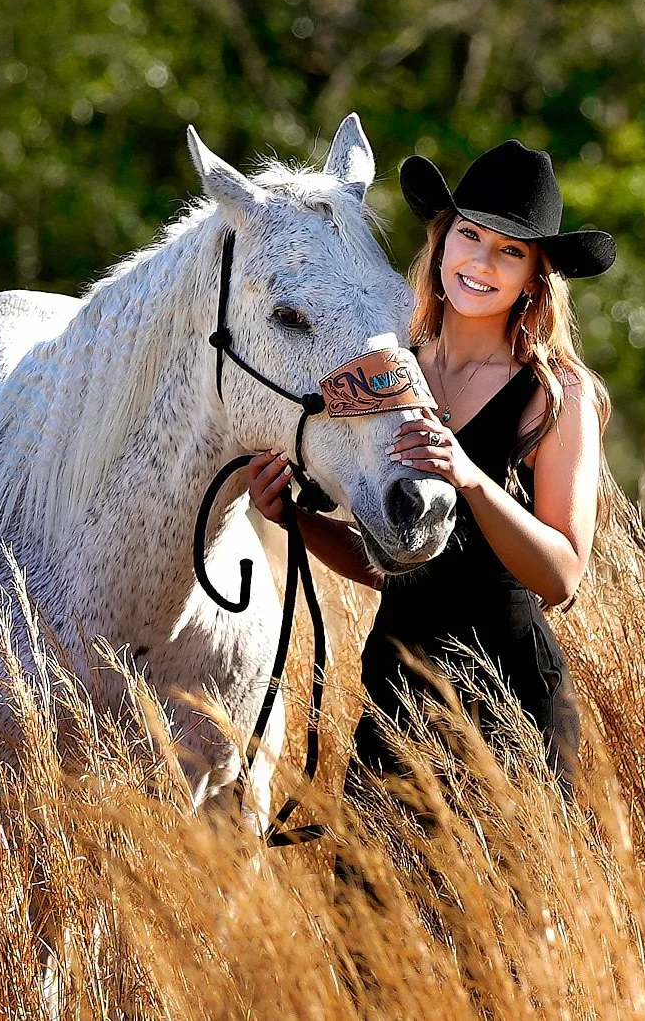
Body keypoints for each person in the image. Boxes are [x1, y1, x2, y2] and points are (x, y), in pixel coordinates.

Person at [246, 138, 615, 802]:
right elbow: (394, 563)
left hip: (509, 704)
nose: (481, 261)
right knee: (368, 906)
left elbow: (562, 575)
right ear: (442, 242)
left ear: (534, 276)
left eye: (510, 250)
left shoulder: (556, 392)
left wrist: (471, 477)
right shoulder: (393, 367)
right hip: (395, 692)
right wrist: (295, 521)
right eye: (469, 235)